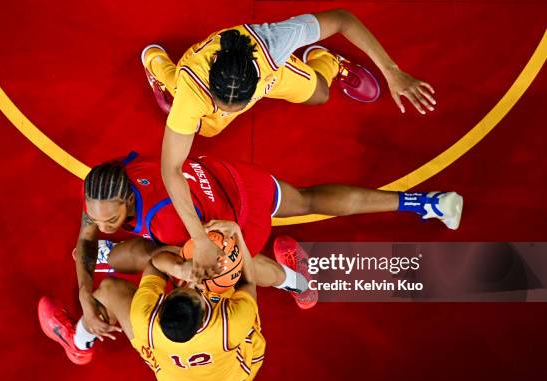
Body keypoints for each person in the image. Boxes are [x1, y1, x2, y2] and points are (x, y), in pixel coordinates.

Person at [140, 9, 438, 280]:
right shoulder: (194, 91)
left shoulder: (272, 43)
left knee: (320, 94)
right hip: (196, 93)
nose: (234, 111)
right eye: (225, 104)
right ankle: (157, 64)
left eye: (238, 106)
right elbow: (172, 168)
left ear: (254, 82)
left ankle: (327, 60)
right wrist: (199, 239)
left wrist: (392, 71)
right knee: (206, 127)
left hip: (268, 77)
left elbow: (342, 19)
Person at [71, 151, 463, 347]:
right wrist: (83, 292)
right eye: (97, 218)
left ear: (126, 199)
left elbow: (174, 261)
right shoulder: (113, 182)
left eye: (111, 220)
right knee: (308, 200)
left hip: (234, 219)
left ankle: (296, 281)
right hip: (235, 179)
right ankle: (427, 203)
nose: (103, 227)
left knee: (223, 274)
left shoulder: (163, 221)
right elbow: (83, 243)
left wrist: (184, 270)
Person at [39, 221, 266, 381]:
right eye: (193, 289)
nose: (194, 284)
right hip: (238, 376)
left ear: (162, 304)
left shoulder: (145, 318)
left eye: (187, 287)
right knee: (253, 265)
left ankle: (78, 342)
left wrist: (179, 266)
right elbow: (248, 282)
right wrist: (237, 233)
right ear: (206, 315)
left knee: (110, 289)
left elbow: (156, 263)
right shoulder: (231, 322)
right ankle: (300, 279)